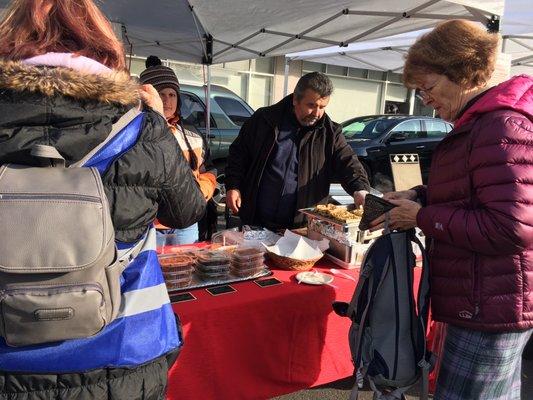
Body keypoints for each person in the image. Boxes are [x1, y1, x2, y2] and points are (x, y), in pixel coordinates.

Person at [0, 0, 206, 398]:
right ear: (102, 45)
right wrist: (158, 125)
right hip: (121, 355)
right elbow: (187, 211)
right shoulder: (141, 128)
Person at [369, 20, 533, 399]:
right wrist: (421, 194)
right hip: (483, 299)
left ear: (461, 72)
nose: (424, 98)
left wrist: (421, 217)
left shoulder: (499, 126)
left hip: (488, 306)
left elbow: (511, 226)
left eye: (428, 87)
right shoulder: (481, 123)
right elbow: (474, 193)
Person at [225, 72, 370, 231]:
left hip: (301, 226)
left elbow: (348, 163)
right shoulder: (265, 119)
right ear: (295, 99)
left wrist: (360, 188)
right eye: (311, 105)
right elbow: (238, 154)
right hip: (257, 219)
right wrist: (233, 185)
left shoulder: (330, 133)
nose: (317, 113)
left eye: (322, 107)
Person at [139, 55, 217, 244]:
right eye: (161, 94)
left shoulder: (192, 134)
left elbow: (208, 170)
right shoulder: (136, 131)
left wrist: (201, 193)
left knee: (185, 271)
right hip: (149, 226)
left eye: (172, 94)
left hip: (186, 225)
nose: (167, 100)